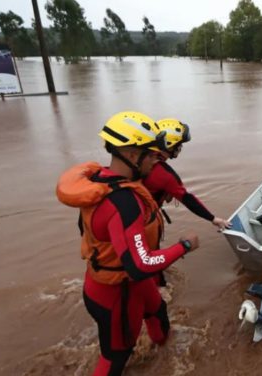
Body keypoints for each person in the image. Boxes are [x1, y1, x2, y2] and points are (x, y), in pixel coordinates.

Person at [56, 111, 200, 375]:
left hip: (126, 283)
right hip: (115, 293)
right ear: (133, 154)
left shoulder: (100, 181)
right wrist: (185, 246)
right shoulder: (124, 202)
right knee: (116, 357)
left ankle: (164, 362)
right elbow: (140, 264)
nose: (158, 160)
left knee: (158, 311)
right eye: (152, 154)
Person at [143, 118, 231, 232]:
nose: (180, 148)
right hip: (145, 221)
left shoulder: (140, 161)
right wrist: (213, 219)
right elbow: (187, 199)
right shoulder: (165, 174)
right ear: (169, 145)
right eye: (179, 144)